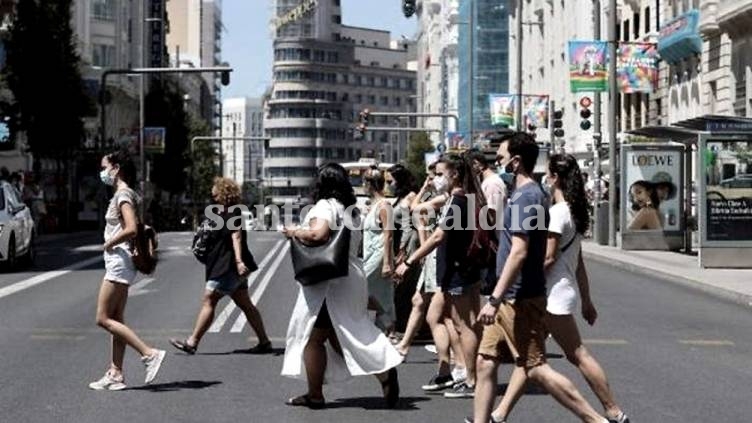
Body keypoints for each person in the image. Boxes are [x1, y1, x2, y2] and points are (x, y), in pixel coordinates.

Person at [471, 133, 612, 423]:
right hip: (511, 295)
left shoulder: (528, 197)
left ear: (516, 160)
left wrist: (495, 298)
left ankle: (596, 420)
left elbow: (519, 252)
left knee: (536, 367)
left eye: (500, 156)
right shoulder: (526, 194)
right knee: (485, 362)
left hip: (518, 297)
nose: (497, 161)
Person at [281, 163, 402, 409]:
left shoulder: (325, 206)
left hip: (328, 281)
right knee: (345, 334)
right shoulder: (352, 210)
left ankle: (315, 395)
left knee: (312, 338)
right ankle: (385, 374)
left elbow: (319, 234)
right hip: (350, 276)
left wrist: (294, 231)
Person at [395, 154, 482, 399]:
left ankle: (471, 377)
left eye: (441, 174)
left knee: (463, 324)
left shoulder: (458, 201)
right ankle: (453, 371)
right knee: (441, 317)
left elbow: (437, 237)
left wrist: (409, 262)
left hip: (458, 271)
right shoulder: (456, 198)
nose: (436, 179)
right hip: (455, 270)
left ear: (454, 174)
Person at [89, 149, 166, 390]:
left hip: (118, 262)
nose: (103, 172)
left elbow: (132, 227)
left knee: (102, 318)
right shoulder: (127, 193)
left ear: (116, 168)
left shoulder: (122, 194)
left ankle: (148, 353)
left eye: (105, 167)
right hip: (122, 262)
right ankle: (115, 373)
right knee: (116, 318)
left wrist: (109, 243)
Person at [170, 177, 272, 355]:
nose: (212, 191)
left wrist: (239, 262)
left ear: (223, 192)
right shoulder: (220, 212)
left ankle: (192, 342)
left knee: (210, 298)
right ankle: (264, 342)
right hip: (226, 265)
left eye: (215, 189)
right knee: (246, 304)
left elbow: (236, 237)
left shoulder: (233, 213)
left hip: (229, 266)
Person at [386, 164, 420, 341]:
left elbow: (409, 227)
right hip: (400, 244)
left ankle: (405, 327)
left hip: (409, 245)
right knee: (399, 287)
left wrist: (402, 252)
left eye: (390, 181)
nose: (388, 184)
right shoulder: (398, 198)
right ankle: (402, 325)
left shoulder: (411, 196)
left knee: (405, 287)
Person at [362, 166, 397, 334]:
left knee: (360, 288)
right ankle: (386, 324)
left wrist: (386, 262)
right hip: (370, 254)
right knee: (380, 293)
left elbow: (389, 234)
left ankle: (386, 321)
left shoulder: (384, 206)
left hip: (378, 255)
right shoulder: (374, 206)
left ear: (370, 184)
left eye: (364, 182)